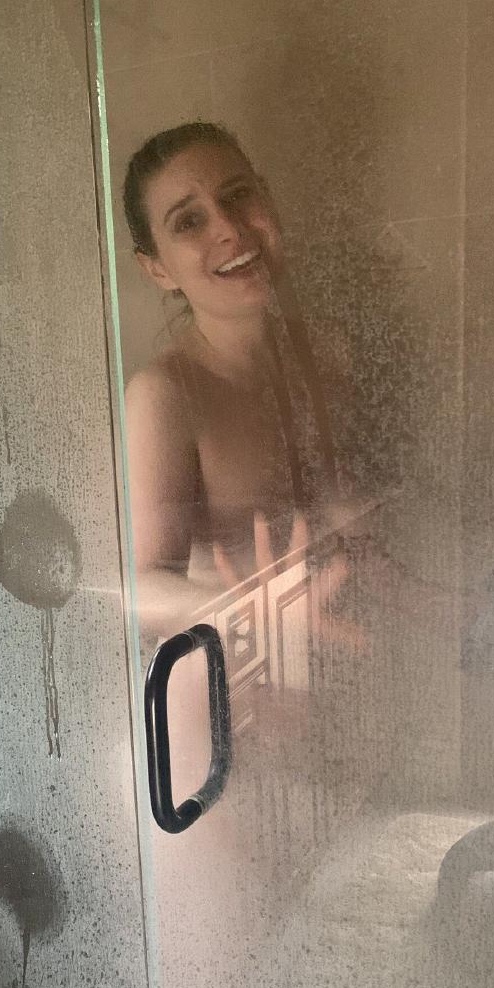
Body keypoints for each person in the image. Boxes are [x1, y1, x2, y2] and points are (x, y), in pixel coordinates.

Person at [122, 120, 372, 645]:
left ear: (268, 199)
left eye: (237, 195)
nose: (229, 228)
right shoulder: (165, 396)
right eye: (189, 221)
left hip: (336, 662)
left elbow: (342, 512)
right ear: (158, 269)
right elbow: (140, 592)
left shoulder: (325, 357)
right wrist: (251, 612)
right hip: (232, 678)